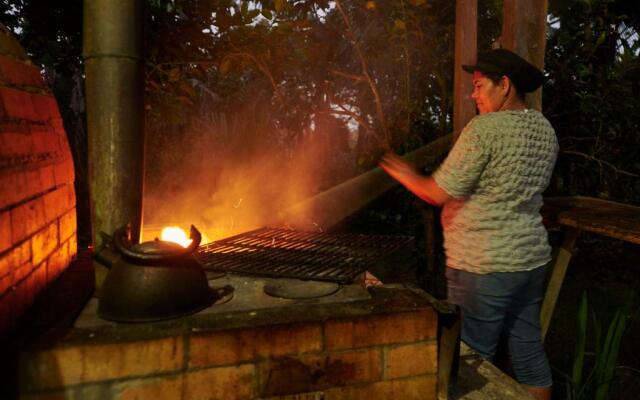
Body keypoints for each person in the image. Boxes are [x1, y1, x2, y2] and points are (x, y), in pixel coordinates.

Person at [379, 48, 558, 400]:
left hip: (484, 265)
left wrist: (403, 173)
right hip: (530, 261)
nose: (472, 94)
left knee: (471, 359)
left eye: (478, 86)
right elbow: (511, 189)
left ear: (504, 85)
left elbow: (437, 192)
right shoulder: (544, 128)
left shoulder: (484, 129)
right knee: (528, 351)